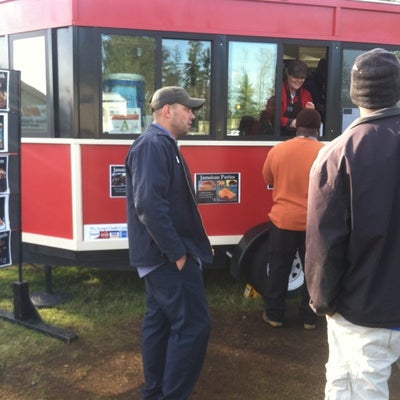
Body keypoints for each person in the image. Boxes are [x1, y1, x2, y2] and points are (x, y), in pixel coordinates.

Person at [305, 48, 400, 400]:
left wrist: (322, 301)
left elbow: (324, 243)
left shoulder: (337, 153)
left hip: (363, 311)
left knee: (358, 389)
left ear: (353, 93)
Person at [125, 86, 214, 400]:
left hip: (159, 258)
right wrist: (177, 253)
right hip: (167, 258)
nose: (192, 115)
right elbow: (148, 204)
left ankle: (155, 392)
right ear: (167, 110)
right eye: (188, 109)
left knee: (160, 322)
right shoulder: (153, 145)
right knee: (192, 325)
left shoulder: (161, 144)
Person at [261, 108, 324, 329]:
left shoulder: (278, 150)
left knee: (279, 267)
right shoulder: (326, 152)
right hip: (314, 223)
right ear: (318, 128)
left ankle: (274, 315)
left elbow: (268, 178)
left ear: (297, 127)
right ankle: (309, 319)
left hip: (283, 221)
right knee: (313, 270)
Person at [281, 59, 315, 136]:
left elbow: (310, 122)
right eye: (295, 77)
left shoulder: (306, 94)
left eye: (302, 77)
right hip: (278, 136)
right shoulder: (278, 92)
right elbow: (273, 117)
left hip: (299, 137)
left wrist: (311, 113)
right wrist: (290, 122)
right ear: (288, 75)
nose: (298, 80)